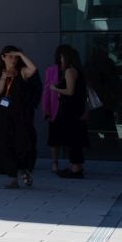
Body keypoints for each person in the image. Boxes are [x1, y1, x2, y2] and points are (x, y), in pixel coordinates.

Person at [0, 46, 41, 189]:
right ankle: (12, 177)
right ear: (3, 57)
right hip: (3, 114)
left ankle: (24, 169)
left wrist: (21, 54)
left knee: (22, 143)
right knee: (5, 143)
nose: (13, 59)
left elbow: (33, 68)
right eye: (10, 56)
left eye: (15, 57)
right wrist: (4, 77)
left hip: (20, 114)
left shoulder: (22, 71)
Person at [49, 44, 89, 179]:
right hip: (75, 109)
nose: (59, 60)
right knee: (74, 138)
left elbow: (70, 91)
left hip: (71, 110)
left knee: (73, 139)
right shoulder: (77, 70)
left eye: (61, 57)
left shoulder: (69, 71)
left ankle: (76, 168)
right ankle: (75, 167)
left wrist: (55, 89)